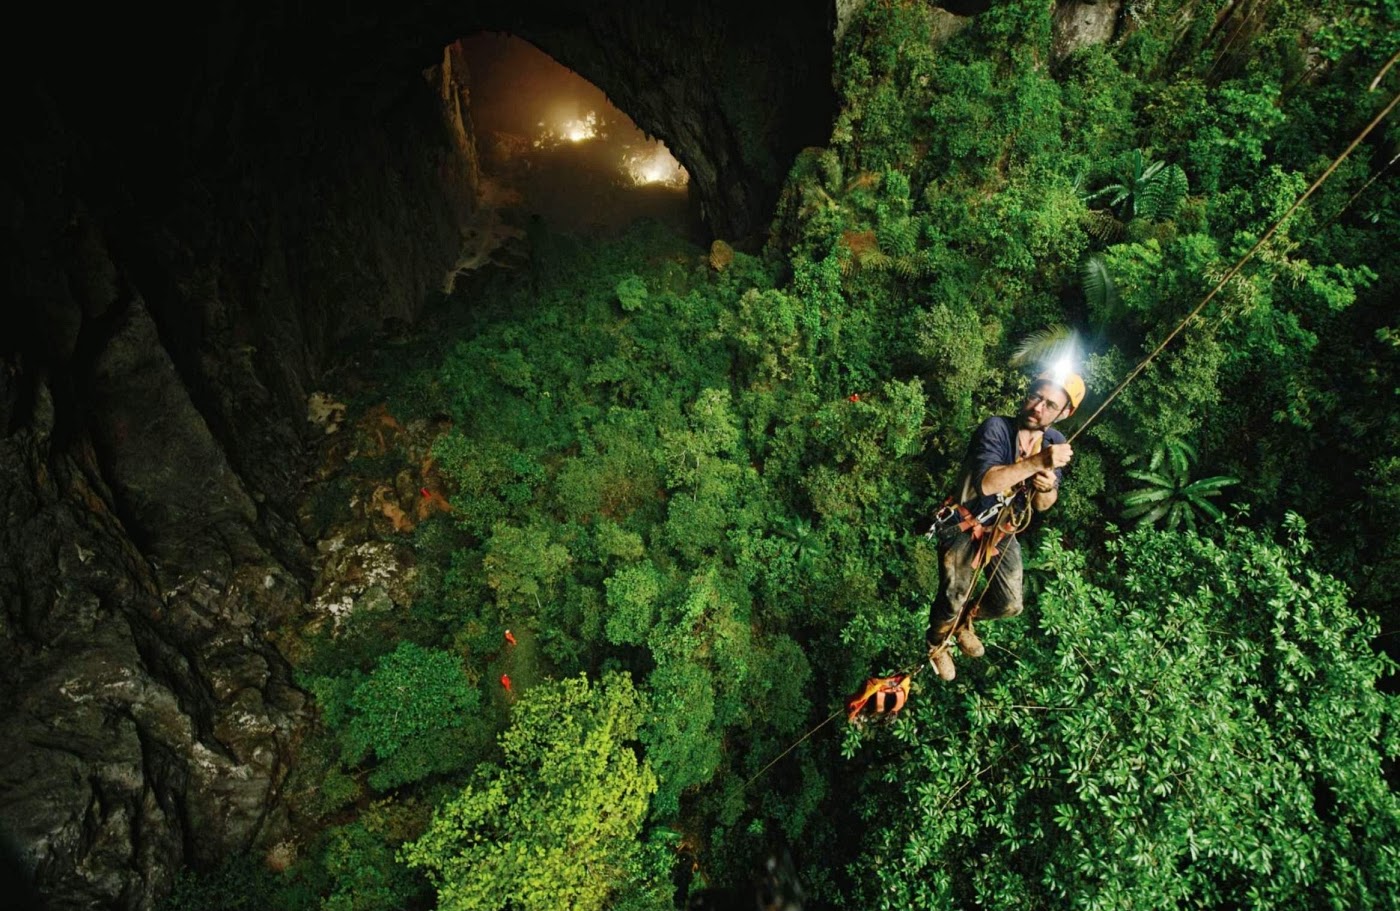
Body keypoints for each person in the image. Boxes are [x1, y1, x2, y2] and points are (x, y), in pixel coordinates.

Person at [925, 371, 1084, 681]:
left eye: (1050, 405)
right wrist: (1037, 463)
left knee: (1010, 603)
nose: (1038, 407)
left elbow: (1042, 506)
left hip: (1002, 528)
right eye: (1036, 396)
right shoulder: (997, 428)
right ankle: (935, 643)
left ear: (1064, 414)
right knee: (953, 596)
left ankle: (963, 623)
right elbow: (987, 484)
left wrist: (1047, 485)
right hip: (963, 522)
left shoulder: (1054, 441)